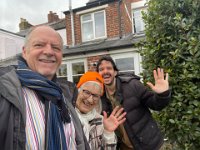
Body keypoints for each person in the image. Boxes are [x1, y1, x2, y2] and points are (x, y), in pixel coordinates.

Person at [0, 25, 89, 150]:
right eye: (39, 45)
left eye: (56, 47)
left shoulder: (64, 97)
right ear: (25, 52)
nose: (49, 52)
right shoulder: (4, 90)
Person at [96, 55, 171, 150]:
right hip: (125, 147)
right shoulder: (98, 96)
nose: (105, 71)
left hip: (149, 145)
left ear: (115, 72)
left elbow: (155, 104)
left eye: (109, 68)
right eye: (101, 69)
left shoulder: (132, 85)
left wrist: (162, 94)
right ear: (98, 74)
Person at [75, 71, 126, 150]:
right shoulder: (66, 117)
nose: (90, 100)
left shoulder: (101, 121)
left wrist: (108, 133)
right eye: (87, 92)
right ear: (78, 91)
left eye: (95, 96)